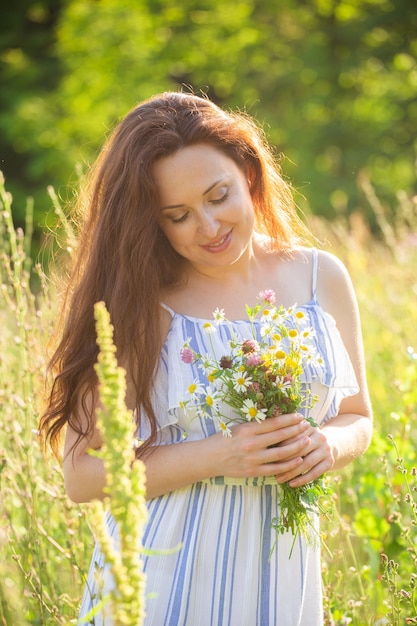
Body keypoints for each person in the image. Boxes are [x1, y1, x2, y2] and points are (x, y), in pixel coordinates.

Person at [39, 91, 372, 625]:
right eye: (178, 216)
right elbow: (81, 476)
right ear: (153, 222)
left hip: (282, 583)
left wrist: (326, 445)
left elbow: (357, 416)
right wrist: (221, 455)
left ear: (249, 172)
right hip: (162, 584)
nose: (209, 227)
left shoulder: (319, 276)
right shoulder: (137, 304)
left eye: (218, 196)